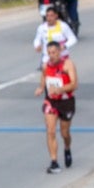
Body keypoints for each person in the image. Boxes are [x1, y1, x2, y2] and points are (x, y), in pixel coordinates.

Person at [33, 40, 77, 174]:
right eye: (49, 53)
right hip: (51, 101)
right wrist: (41, 88)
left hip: (66, 101)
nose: (51, 55)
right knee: (51, 131)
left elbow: (74, 84)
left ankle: (67, 148)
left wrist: (60, 89)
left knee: (64, 133)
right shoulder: (46, 66)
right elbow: (44, 77)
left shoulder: (67, 64)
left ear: (59, 52)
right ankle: (54, 162)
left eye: (54, 52)